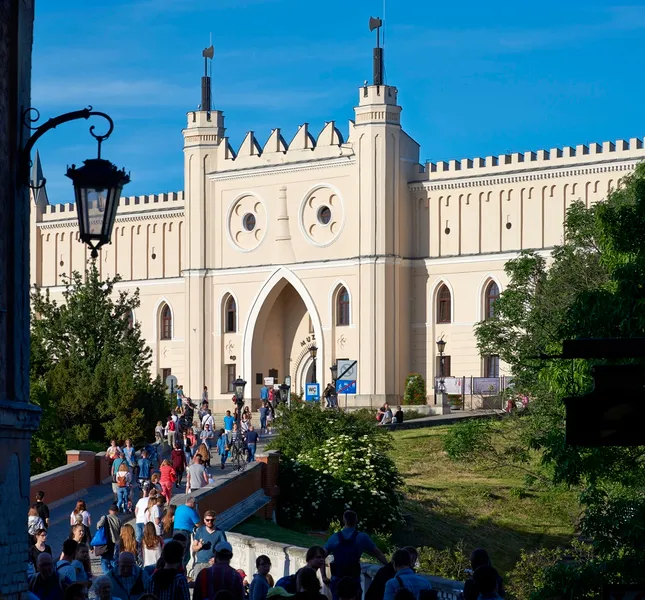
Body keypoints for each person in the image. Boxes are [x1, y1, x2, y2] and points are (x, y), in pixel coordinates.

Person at [323, 511, 388, 600]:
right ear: (356, 520)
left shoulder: (334, 538)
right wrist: (389, 567)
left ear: (344, 520)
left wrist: (323, 576)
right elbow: (378, 554)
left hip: (337, 578)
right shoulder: (362, 537)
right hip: (354, 578)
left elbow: (321, 555)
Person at [191, 510, 228, 580]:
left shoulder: (220, 533)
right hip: (200, 564)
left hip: (213, 564)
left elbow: (224, 549)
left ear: (215, 520)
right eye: (207, 520)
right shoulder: (200, 531)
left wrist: (216, 558)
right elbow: (193, 547)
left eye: (212, 520)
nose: (209, 522)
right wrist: (199, 546)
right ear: (204, 520)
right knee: (198, 586)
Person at [96, 504, 122, 575]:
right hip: (114, 543)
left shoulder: (104, 517)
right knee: (112, 559)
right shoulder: (118, 520)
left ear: (109, 511)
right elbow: (121, 532)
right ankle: (114, 574)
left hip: (105, 542)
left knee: (104, 560)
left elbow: (98, 526)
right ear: (116, 512)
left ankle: (107, 575)